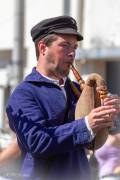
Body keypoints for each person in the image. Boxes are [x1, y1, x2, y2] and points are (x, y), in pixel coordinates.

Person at [6, 15, 120, 180]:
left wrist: (107, 117)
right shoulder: (24, 93)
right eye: (64, 46)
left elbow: (94, 141)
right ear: (43, 48)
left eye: (74, 46)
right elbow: (37, 141)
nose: (72, 53)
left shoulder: (76, 89)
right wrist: (87, 123)